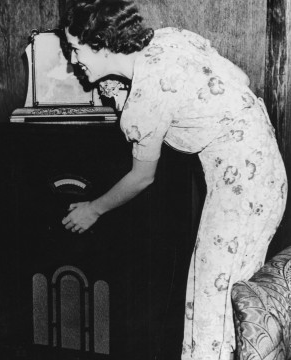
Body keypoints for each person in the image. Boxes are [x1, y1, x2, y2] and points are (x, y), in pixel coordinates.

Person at [59, 1, 288, 359]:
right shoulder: (168, 41)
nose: (73, 61)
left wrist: (94, 208)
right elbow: (236, 80)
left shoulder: (147, 97)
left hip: (242, 185)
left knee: (215, 301)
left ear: (102, 43)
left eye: (75, 49)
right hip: (264, 169)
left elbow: (141, 177)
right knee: (224, 294)